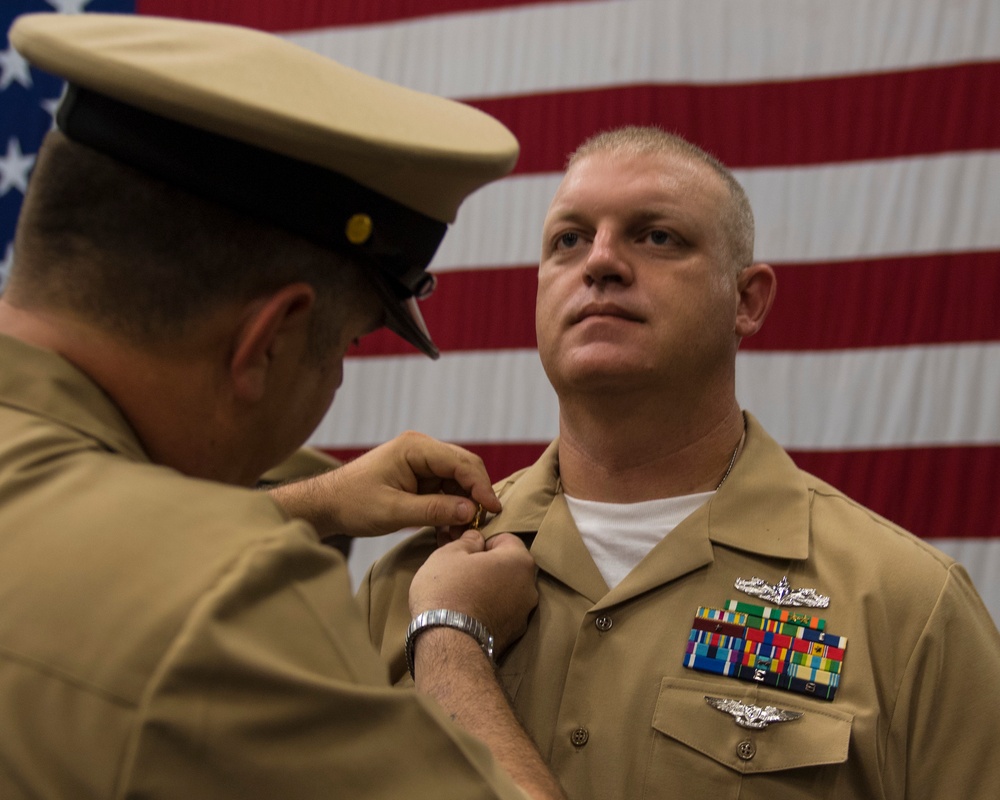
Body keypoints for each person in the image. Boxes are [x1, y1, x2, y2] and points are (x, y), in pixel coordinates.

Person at [0, 12, 567, 800]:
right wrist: (451, 636)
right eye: (346, 347)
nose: (334, 382)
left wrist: (311, 503)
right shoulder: (226, 601)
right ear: (271, 339)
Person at [360, 125, 1000, 799]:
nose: (599, 262)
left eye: (657, 236)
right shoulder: (410, 584)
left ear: (747, 301)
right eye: (568, 240)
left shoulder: (906, 606)